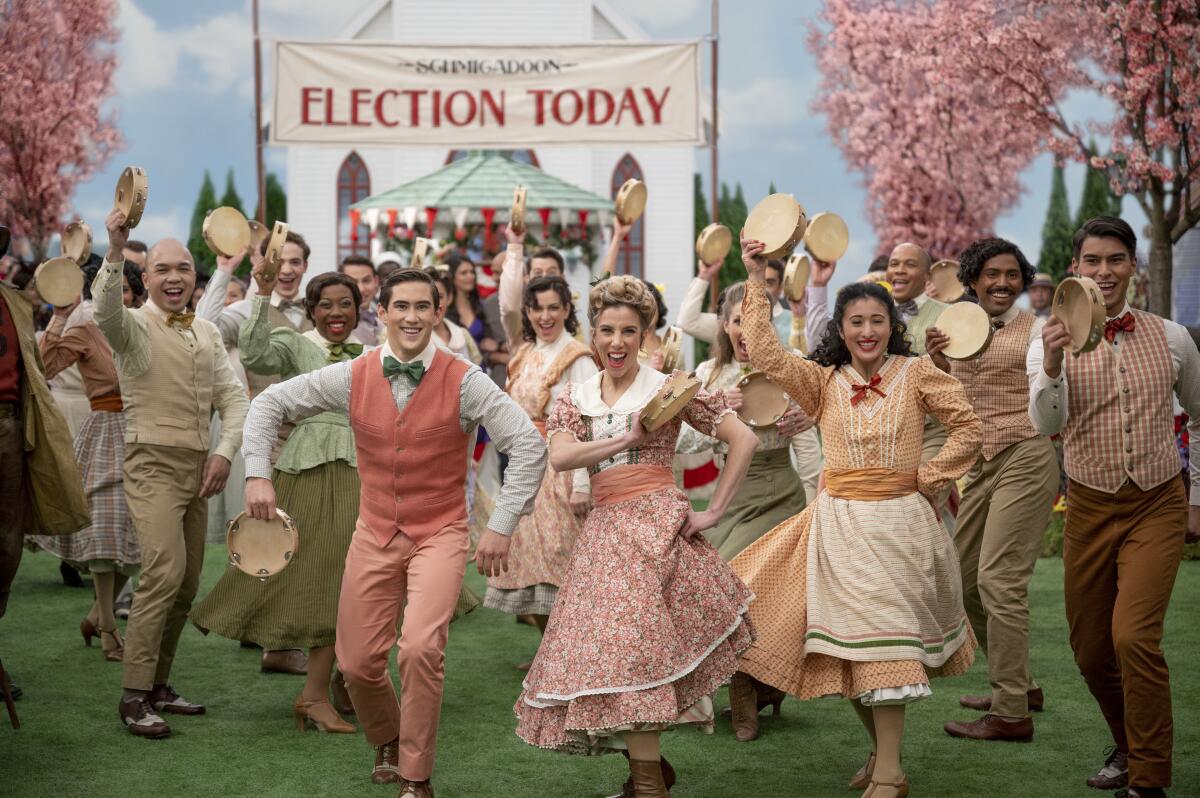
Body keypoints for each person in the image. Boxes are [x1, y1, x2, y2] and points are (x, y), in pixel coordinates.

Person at [241, 268, 545, 798]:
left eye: (422, 307)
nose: (411, 317)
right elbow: (270, 403)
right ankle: (385, 734)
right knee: (357, 663)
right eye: (400, 306)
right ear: (380, 313)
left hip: (441, 532)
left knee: (422, 649)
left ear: (436, 313)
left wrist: (500, 526)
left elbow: (528, 445)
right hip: (375, 529)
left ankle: (415, 776)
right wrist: (257, 473)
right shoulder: (352, 374)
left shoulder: (466, 379)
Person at [730, 235, 980, 798]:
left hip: (901, 528)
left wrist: (928, 477)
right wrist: (755, 274)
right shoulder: (822, 383)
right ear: (840, 330)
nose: (867, 331)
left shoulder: (917, 375)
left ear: (892, 325)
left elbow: (969, 428)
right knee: (846, 651)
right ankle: (884, 757)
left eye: (877, 320)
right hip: (837, 528)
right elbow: (767, 354)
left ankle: (889, 774)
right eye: (855, 322)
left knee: (884, 645)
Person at [515, 275, 759, 798]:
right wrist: (627, 436)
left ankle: (649, 785)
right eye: (606, 330)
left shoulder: (670, 387)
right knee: (611, 653)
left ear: (646, 332)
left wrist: (713, 510)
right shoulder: (576, 395)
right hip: (604, 533)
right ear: (594, 333)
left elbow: (745, 436)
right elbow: (559, 456)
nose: (617, 341)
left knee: (636, 651)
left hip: (656, 528)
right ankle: (648, 773)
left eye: (629, 330)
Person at [1028, 216, 1200, 798]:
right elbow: (1046, 424)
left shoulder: (1173, 336)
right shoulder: (1045, 339)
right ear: (1076, 268)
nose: (1105, 272)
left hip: (1156, 501)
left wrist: (1196, 493)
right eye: (1093, 261)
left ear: (1134, 267)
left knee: (1132, 636)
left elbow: (1199, 414)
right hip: (1089, 506)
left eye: (1116, 260)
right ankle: (1127, 744)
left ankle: (1148, 779)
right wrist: (1051, 367)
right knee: (1091, 646)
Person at [95, 209, 249, 739]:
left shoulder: (206, 330)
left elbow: (234, 398)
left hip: (200, 469)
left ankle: (159, 685)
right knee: (162, 574)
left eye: (184, 268)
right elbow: (106, 311)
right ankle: (133, 695)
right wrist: (115, 250)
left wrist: (225, 453)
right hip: (151, 464)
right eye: (162, 269)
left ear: (195, 276)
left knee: (185, 584)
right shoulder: (132, 326)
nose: (175, 277)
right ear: (148, 278)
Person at [191, 271, 367, 736]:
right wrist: (262, 292)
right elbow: (254, 354)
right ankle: (314, 695)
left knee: (363, 577)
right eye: (325, 304)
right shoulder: (293, 341)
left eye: (345, 304)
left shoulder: (372, 352)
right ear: (311, 310)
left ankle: (346, 679)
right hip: (309, 470)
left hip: (363, 473)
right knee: (325, 577)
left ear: (358, 309)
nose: (335, 313)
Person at [924, 238, 1058, 742]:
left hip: (1025, 453)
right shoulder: (956, 327)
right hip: (981, 463)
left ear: (1022, 281)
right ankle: (1020, 685)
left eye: (1012, 274)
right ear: (974, 280)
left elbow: (1047, 386)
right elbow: (948, 398)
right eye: (991, 274)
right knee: (963, 577)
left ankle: (1010, 712)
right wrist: (937, 363)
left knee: (999, 579)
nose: (1002, 283)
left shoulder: (1038, 330)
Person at [194, 231, 314, 675]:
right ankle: (271, 641)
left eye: (295, 261)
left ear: (304, 266)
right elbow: (201, 328)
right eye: (277, 260)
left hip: (314, 443)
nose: (286, 269)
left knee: (300, 541)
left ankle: (267, 632)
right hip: (265, 442)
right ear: (260, 264)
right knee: (265, 539)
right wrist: (224, 270)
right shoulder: (245, 309)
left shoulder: (318, 310)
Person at [29, 260, 145, 663]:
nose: (119, 296)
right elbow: (41, 369)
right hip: (105, 433)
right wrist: (59, 318)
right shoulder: (82, 330)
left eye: (126, 290)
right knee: (106, 530)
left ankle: (96, 614)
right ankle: (110, 628)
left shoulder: (147, 328)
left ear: (133, 294)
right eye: (109, 290)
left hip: (147, 435)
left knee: (141, 535)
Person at [484, 273, 596, 666]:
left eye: (553, 307)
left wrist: (583, 482)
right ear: (528, 313)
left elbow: (587, 420)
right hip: (527, 468)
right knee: (531, 564)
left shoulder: (577, 357)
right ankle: (552, 651)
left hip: (562, 470)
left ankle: (573, 655)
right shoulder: (526, 354)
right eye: (537, 308)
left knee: (563, 565)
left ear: (567, 310)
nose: (545, 316)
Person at [677, 281, 819, 560]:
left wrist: (813, 509)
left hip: (780, 491)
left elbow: (808, 449)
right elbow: (682, 441)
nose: (747, 329)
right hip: (730, 493)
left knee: (740, 567)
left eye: (757, 320)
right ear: (726, 326)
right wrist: (717, 412)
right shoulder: (709, 374)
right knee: (705, 569)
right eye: (739, 321)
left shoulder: (790, 365)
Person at [0, 270, 89, 627]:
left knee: (7, 542)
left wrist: (61, 318)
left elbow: (36, 365)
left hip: (9, 425)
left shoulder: (13, 302)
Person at [338, 255, 382, 345]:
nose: (361, 289)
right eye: (352, 282)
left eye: (366, 281)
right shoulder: (334, 322)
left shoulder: (384, 316)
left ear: (376, 282)